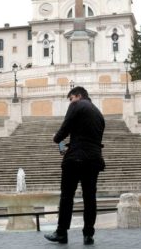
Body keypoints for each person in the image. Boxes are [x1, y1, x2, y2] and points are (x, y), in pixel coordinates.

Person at [44, 86, 105, 245]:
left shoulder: (76, 105)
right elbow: (88, 137)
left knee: (67, 197)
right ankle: (88, 235)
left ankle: (61, 233)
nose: (70, 102)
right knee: (89, 198)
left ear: (78, 96)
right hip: (94, 159)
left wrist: (56, 139)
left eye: (71, 98)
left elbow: (65, 128)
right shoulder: (99, 114)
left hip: (76, 158)